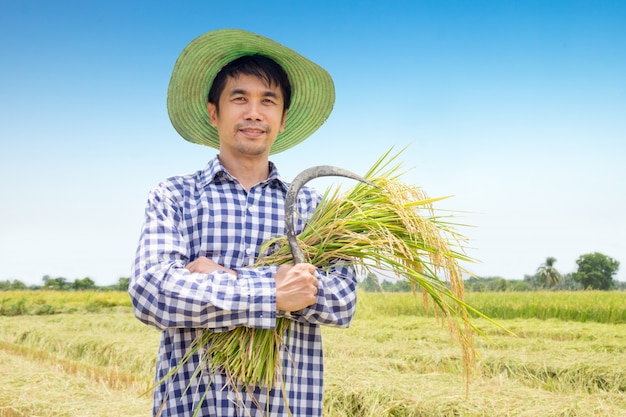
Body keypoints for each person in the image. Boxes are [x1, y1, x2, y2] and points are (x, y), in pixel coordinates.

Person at [129, 28, 358, 417]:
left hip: (287, 405)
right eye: (240, 99)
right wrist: (272, 292)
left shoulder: (314, 209)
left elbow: (343, 301)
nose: (254, 112)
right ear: (213, 112)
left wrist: (224, 277)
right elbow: (152, 292)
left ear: (283, 118)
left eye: (268, 101)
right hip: (196, 405)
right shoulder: (176, 196)